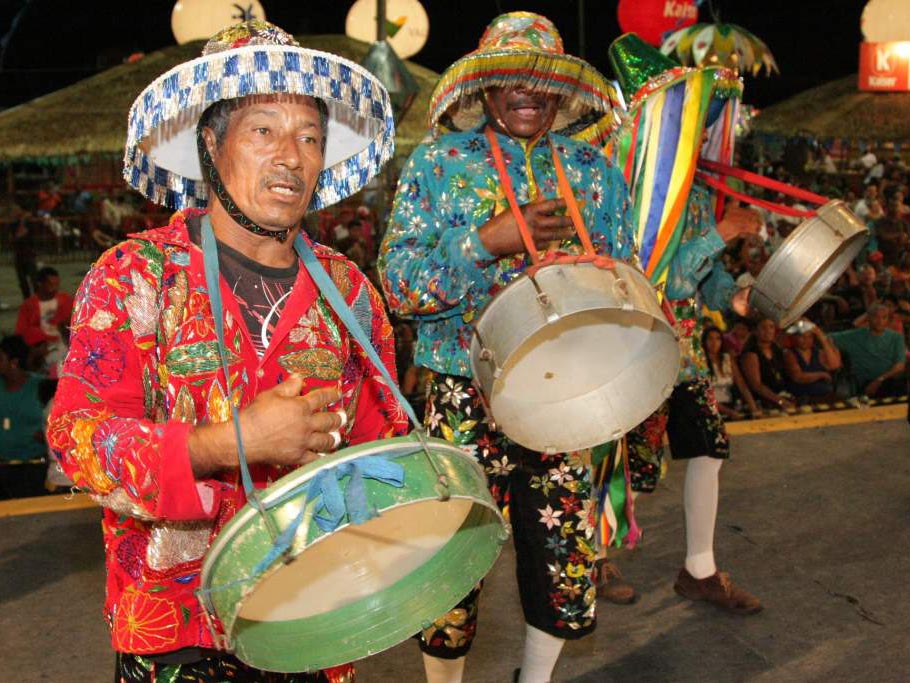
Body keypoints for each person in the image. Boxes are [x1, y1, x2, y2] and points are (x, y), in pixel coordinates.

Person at [47, 21, 403, 683]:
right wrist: (227, 441)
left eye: (310, 136)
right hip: (179, 631)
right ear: (211, 144)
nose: (291, 157)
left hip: (317, 622)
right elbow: (77, 439)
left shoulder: (351, 293)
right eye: (263, 130)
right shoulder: (136, 276)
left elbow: (386, 443)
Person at [379, 13, 631, 683]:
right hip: (464, 390)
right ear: (483, 90)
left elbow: (626, 281)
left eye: (541, 79)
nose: (527, 91)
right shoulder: (436, 164)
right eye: (508, 79)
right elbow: (399, 284)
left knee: (561, 555)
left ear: (561, 90)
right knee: (449, 565)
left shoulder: (595, 170)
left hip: (567, 390)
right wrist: (484, 244)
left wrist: (588, 272)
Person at [586, 34, 763, 617]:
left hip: (682, 352)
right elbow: (655, 279)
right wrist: (724, 233)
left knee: (708, 446)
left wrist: (730, 297)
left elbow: (699, 275)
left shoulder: (689, 192)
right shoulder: (620, 183)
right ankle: (594, 558)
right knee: (615, 458)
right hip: (631, 345)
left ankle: (700, 568)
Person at [0, 335, 49, 499]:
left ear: (14, 362)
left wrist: (47, 435)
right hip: (3, 466)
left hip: (35, 465)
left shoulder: (41, 386)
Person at [831, 302, 907, 398]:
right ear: (869, 319)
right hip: (864, 382)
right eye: (876, 317)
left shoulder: (896, 337)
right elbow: (828, 338)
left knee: (897, 384)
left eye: (884, 318)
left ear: (888, 320)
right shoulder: (855, 335)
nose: (880, 321)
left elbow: (900, 366)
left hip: (888, 379)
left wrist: (880, 380)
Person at [14, 266, 73, 377]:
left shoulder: (65, 300)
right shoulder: (29, 305)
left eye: (57, 284)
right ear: (40, 284)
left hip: (64, 346)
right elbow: (21, 332)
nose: (55, 288)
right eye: (51, 284)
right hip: (40, 349)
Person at [703, 326, 760, 419]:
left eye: (718, 339)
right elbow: (704, 395)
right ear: (704, 341)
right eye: (710, 339)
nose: (714, 343)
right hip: (710, 409)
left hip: (730, 405)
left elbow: (741, 384)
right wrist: (728, 411)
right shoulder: (701, 362)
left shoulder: (727, 359)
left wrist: (753, 406)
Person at [740, 316, 796, 411]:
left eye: (771, 327)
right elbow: (756, 385)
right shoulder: (751, 354)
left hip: (782, 396)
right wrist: (779, 401)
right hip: (762, 401)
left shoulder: (777, 350)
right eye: (763, 327)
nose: (768, 331)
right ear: (755, 331)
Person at [783, 320, 841, 404]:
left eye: (809, 337)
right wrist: (821, 374)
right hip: (801, 397)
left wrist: (822, 338)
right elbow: (798, 377)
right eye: (802, 336)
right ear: (795, 337)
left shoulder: (818, 352)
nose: (806, 340)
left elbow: (835, 365)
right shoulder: (789, 353)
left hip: (824, 394)